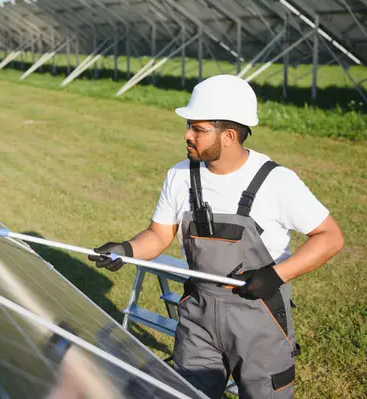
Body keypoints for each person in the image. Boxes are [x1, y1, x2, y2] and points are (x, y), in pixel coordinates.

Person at [88, 74, 344, 399]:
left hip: (259, 316)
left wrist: (275, 275)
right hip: (198, 313)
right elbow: (158, 234)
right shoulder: (179, 175)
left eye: (198, 128)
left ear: (229, 135)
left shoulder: (276, 181)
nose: (187, 134)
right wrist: (125, 249)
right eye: (189, 126)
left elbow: (330, 237)